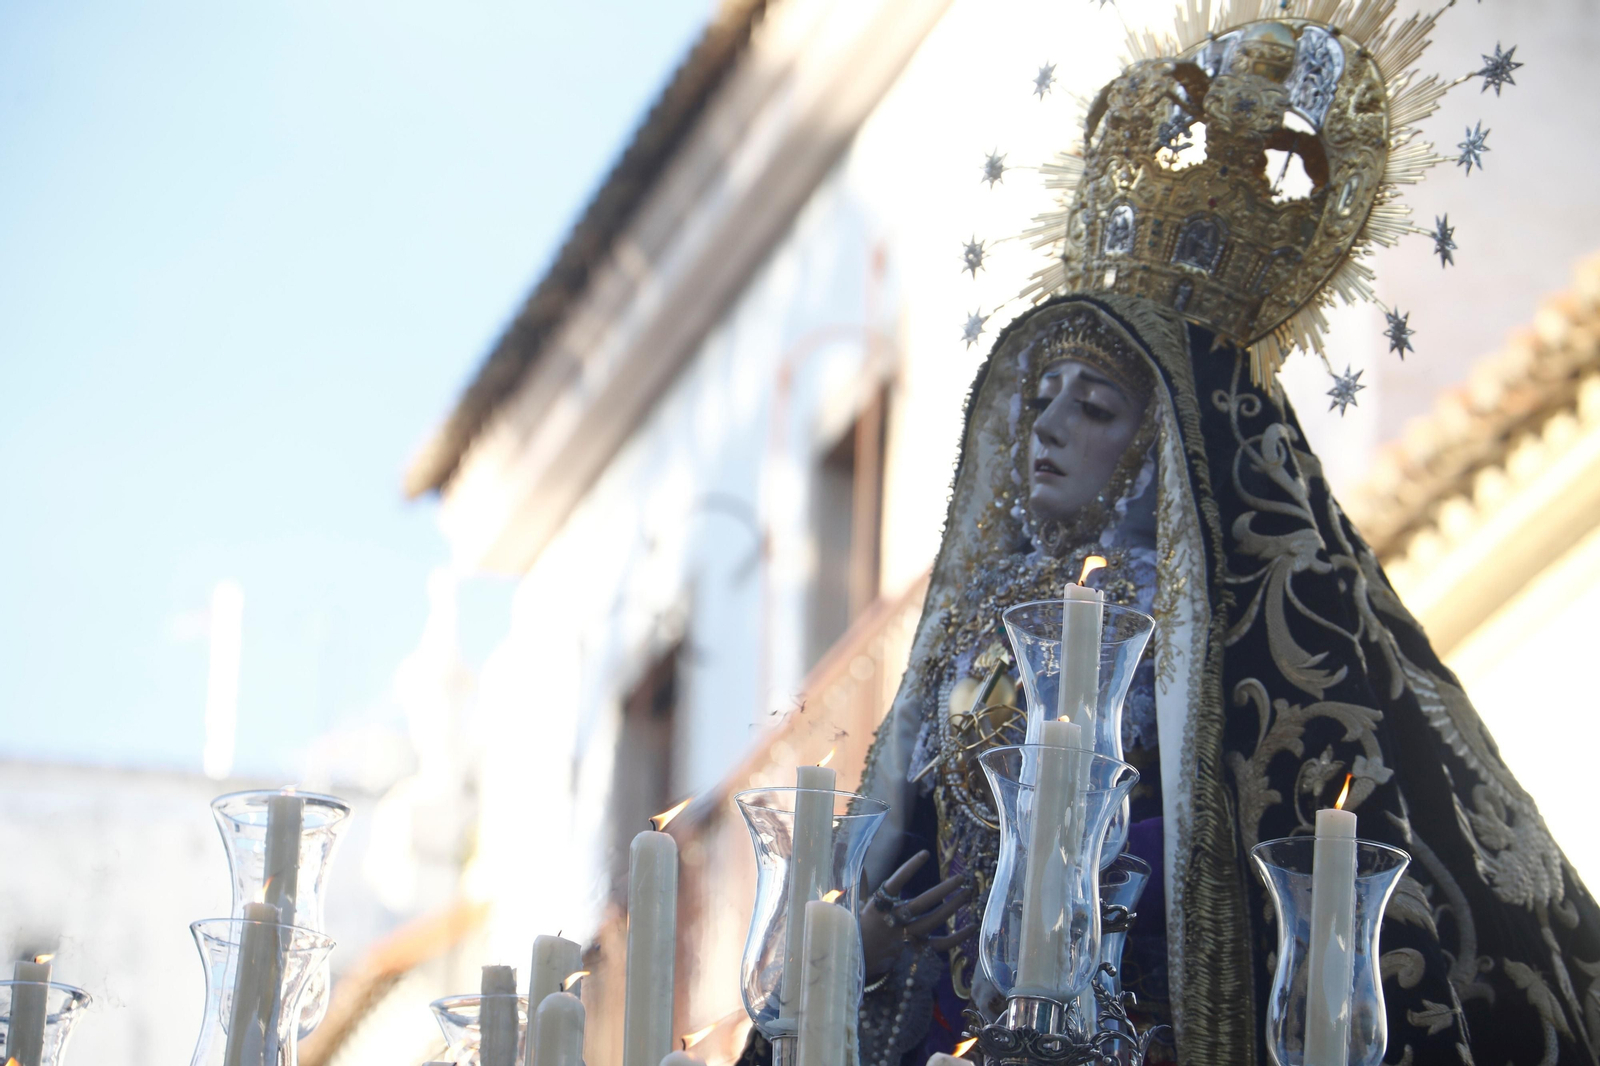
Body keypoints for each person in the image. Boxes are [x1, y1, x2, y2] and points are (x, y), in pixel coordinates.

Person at [840, 7, 1600, 1066]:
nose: (1046, 428)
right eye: (1041, 398)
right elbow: (897, 878)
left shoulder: (1232, 640)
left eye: (1093, 407)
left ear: (1162, 448)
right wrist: (866, 943)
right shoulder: (974, 656)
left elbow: (1274, 856)